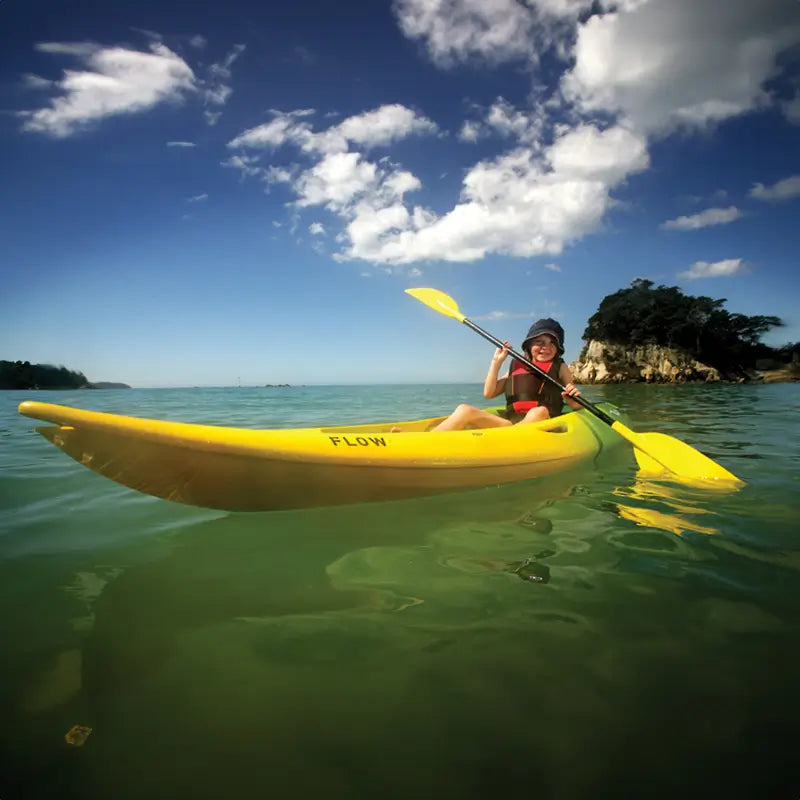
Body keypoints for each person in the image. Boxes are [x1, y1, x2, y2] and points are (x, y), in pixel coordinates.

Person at [429, 318, 583, 432]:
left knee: (539, 411)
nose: (546, 347)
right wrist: (496, 363)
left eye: (552, 343)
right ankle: (428, 442)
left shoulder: (561, 367)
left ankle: (508, 439)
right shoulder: (516, 366)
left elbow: (574, 401)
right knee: (464, 410)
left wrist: (574, 402)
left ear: (558, 348)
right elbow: (489, 393)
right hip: (511, 425)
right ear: (529, 345)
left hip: (544, 424)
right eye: (539, 342)